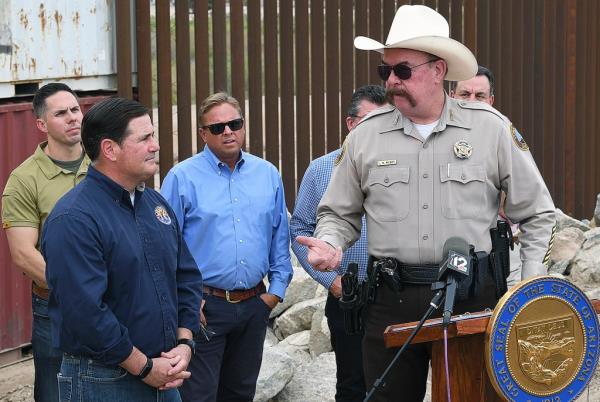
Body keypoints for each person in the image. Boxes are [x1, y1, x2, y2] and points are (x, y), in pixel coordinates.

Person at [296, 5, 555, 402]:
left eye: (403, 71)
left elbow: (537, 212)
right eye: (386, 72)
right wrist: (331, 243)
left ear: (438, 70)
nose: (392, 82)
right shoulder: (366, 136)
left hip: (472, 298)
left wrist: (528, 287)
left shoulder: (490, 128)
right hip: (391, 298)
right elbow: (337, 213)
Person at [41, 97, 203, 401]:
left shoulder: (155, 205)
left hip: (164, 373)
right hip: (103, 380)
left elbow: (187, 276)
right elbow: (85, 313)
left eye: (153, 136)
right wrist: (143, 367)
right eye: (144, 138)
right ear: (110, 149)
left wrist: (184, 342)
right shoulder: (73, 219)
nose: (155, 146)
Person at [160, 92, 293, 402]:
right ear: (203, 134)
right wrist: (187, 304)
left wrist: (274, 295)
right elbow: (164, 247)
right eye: (218, 127)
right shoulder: (182, 178)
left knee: (241, 393)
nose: (228, 132)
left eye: (234, 124)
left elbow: (279, 239)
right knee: (198, 396)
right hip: (205, 308)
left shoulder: (267, 174)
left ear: (244, 126)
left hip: (254, 306)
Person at [290, 85, 386, 402]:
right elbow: (300, 228)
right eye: (370, 121)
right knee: (352, 385)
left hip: (395, 293)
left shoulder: (400, 169)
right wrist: (332, 281)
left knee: (395, 383)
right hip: (348, 294)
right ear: (349, 124)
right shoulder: (321, 170)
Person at [1, 83, 89, 402]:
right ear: (41, 124)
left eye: (75, 110)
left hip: (114, 300)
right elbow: (24, 254)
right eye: (61, 113)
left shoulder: (106, 164)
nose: (72, 118)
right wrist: (79, 289)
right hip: (56, 306)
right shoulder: (24, 180)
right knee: (56, 390)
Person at [450, 65, 523, 286]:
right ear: (452, 96)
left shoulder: (504, 133)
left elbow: (525, 196)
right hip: (445, 249)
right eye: (465, 94)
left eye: (479, 96)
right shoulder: (436, 132)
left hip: (492, 252)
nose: (472, 101)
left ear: (491, 101)